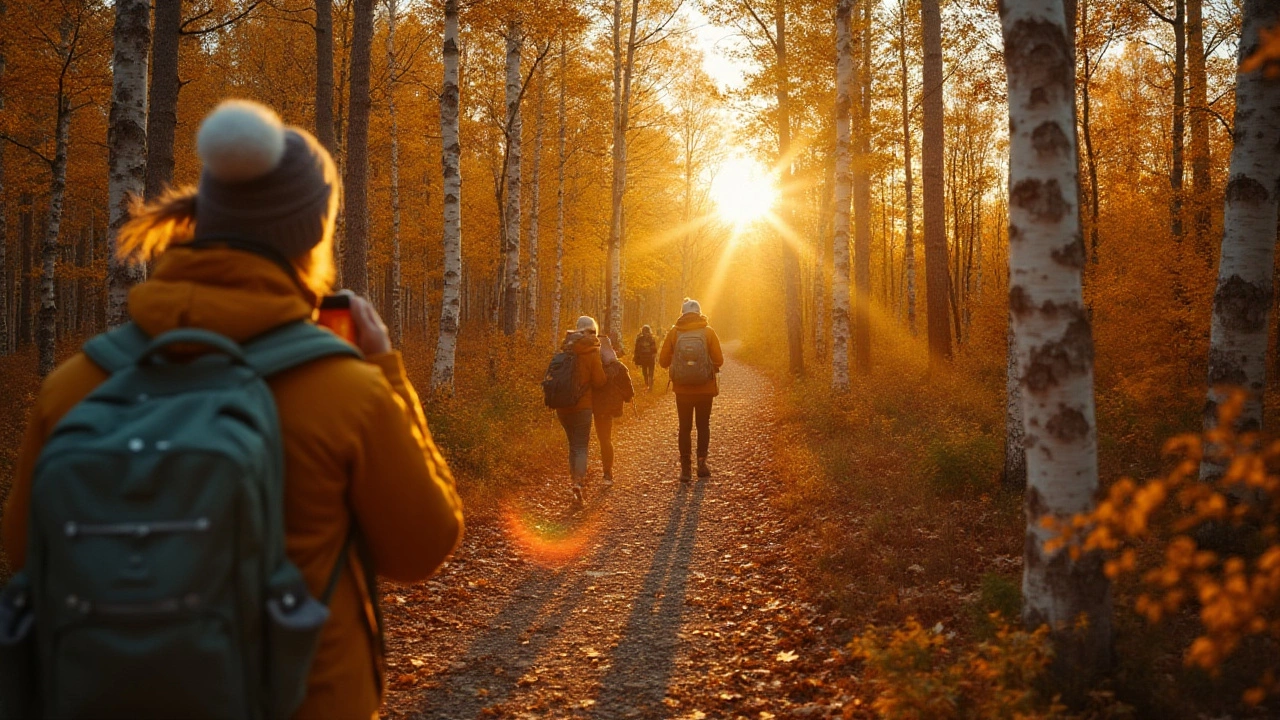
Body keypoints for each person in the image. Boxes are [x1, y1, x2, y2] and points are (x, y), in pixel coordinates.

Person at [0, 100, 463, 719]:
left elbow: (25, 553)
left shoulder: (74, 384)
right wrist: (384, 368)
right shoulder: (346, 391)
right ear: (313, 237)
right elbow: (422, 547)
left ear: (202, 222)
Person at [659, 298, 724, 482]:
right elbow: (719, 360)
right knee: (703, 426)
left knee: (685, 428)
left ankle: (686, 469)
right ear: (699, 313)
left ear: (682, 313)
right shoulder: (708, 332)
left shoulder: (674, 332)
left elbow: (663, 362)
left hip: (683, 390)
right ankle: (702, 464)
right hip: (705, 389)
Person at [556, 315, 607, 504]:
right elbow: (600, 380)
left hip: (562, 406)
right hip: (582, 407)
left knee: (572, 446)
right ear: (592, 331)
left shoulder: (565, 347)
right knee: (580, 446)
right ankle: (578, 483)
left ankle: (574, 481)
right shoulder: (591, 352)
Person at [593, 336, 635, 488]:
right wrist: (625, 397)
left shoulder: (588, 364)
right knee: (605, 440)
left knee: (580, 442)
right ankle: (607, 473)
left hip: (586, 407)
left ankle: (579, 477)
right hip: (606, 409)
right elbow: (629, 392)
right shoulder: (618, 367)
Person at [633, 324, 658, 390]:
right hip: (650, 358)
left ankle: (647, 384)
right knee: (651, 372)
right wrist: (655, 356)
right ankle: (650, 386)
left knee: (644, 371)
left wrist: (636, 358)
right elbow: (654, 349)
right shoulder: (651, 338)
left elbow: (637, 350)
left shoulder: (639, 339)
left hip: (643, 358)